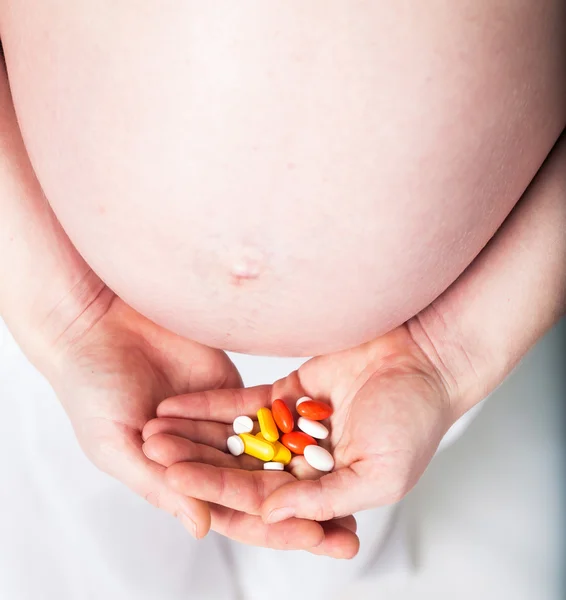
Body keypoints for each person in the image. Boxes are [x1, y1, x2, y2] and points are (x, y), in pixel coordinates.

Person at [0, 3, 564, 599]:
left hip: (434, 326)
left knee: (336, 549)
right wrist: (62, 316)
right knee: (94, 539)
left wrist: (455, 352)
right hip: (56, 280)